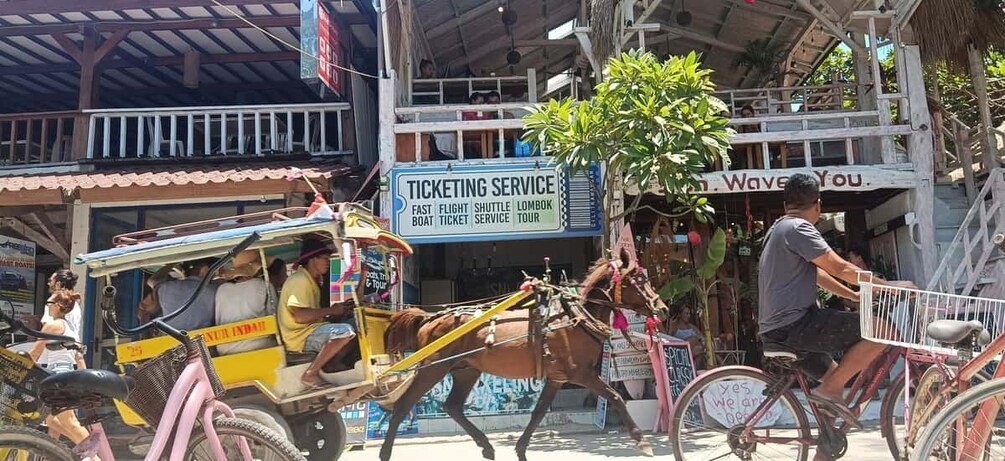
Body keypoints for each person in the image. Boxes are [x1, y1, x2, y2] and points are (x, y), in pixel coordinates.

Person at [757, 173, 914, 432]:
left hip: (779, 329)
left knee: (834, 381)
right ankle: (829, 390)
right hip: (795, 325)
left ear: (787, 203)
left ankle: (826, 445)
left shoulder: (779, 229)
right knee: (883, 331)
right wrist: (889, 286)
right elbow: (838, 266)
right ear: (818, 204)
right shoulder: (798, 228)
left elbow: (817, 273)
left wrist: (853, 295)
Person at [278, 239, 357, 389]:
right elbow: (299, 316)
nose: (328, 262)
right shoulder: (300, 280)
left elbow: (313, 314)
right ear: (312, 259)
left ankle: (331, 363)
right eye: (325, 259)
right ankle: (310, 374)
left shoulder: (311, 280)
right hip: (299, 337)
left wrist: (337, 311)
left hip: (309, 330)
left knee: (354, 324)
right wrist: (331, 310)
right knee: (345, 332)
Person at [29, 289, 90, 445]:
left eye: (49, 302)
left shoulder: (53, 326)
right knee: (50, 420)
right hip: (67, 375)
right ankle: (76, 447)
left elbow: (34, 354)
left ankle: (93, 454)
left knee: (69, 421)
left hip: (58, 377)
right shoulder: (70, 328)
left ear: (57, 305)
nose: (47, 306)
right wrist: (85, 382)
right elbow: (79, 357)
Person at [215, 250, 279, 355]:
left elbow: (218, 319)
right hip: (260, 345)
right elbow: (276, 317)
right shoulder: (263, 286)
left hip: (225, 350)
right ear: (257, 269)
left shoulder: (221, 289)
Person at [139, 258, 218, 332]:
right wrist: (174, 262)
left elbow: (153, 281)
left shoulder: (166, 289)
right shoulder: (215, 291)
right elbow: (152, 281)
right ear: (204, 269)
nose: (148, 296)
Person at [40, 269, 85, 369]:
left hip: (55, 358)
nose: (48, 283)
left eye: (50, 280)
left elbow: (45, 333)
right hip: (72, 357)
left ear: (58, 284)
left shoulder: (54, 304)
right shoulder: (74, 305)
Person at [667, 301, 707, 369]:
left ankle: (695, 371)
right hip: (680, 352)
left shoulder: (692, 327)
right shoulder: (675, 327)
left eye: (689, 314)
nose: (689, 316)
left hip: (695, 352)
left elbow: (702, 338)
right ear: (680, 314)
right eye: (686, 313)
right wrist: (671, 325)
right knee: (693, 339)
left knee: (699, 349)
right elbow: (668, 340)